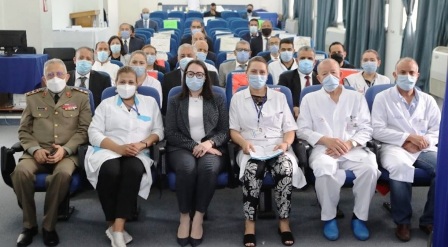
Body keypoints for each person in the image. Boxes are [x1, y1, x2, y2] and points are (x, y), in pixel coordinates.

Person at [296, 58, 380, 241]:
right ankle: (329, 217)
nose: (330, 77)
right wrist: (326, 140)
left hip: (353, 148)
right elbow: (301, 130)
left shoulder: (356, 97)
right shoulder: (310, 98)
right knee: (325, 170)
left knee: (370, 169)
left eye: (333, 72)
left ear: (341, 74)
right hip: (323, 149)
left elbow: (366, 128)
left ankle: (359, 217)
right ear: (318, 78)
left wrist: (349, 144)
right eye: (325, 74)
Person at [11, 58, 92, 247]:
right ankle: (29, 225)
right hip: (36, 151)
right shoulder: (33, 98)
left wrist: (66, 149)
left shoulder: (80, 97)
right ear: (44, 79)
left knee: (62, 175)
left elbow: (84, 130)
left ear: (67, 76)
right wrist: (34, 149)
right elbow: (24, 130)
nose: (55, 78)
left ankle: (49, 226)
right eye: (50, 75)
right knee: (20, 172)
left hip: (67, 152)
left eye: (59, 74)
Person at [229, 56, 306, 247]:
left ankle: (284, 222)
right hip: (250, 146)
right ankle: (250, 224)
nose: (258, 75)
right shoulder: (237, 98)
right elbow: (233, 131)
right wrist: (243, 144)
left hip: (276, 146)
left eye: (262, 72)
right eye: (253, 72)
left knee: (285, 169)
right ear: (246, 75)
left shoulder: (279, 97)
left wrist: (286, 144)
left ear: (268, 75)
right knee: (253, 171)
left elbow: (290, 128)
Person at [85, 66, 164, 247]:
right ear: (115, 84)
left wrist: (143, 144)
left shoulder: (149, 102)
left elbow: (158, 131)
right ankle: (111, 224)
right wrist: (118, 148)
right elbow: (94, 132)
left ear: (138, 84)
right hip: (108, 150)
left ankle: (118, 229)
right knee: (110, 171)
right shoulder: (107, 104)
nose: (126, 85)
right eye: (122, 82)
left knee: (132, 170)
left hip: (137, 151)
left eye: (131, 82)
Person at [371, 57, 440, 242]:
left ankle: (429, 220)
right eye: (402, 72)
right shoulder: (382, 98)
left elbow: (438, 130)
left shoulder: (428, 100)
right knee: (400, 169)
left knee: (443, 169)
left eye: (411, 72)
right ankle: (403, 221)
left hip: (423, 147)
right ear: (394, 75)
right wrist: (406, 138)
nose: (407, 76)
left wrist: (422, 140)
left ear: (418, 75)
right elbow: (377, 129)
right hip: (394, 147)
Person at [165, 60, 229, 247]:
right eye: (191, 74)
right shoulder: (175, 100)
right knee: (187, 168)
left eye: (199, 74)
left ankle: (199, 217)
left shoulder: (217, 99)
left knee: (208, 169)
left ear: (205, 78)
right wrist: (195, 145)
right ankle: (185, 216)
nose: (195, 78)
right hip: (181, 148)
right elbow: (170, 132)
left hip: (212, 148)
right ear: (185, 77)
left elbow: (224, 130)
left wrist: (209, 143)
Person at [162, 44, 219, 115]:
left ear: (196, 58)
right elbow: (166, 108)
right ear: (178, 58)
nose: (186, 58)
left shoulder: (212, 76)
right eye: (182, 56)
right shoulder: (168, 78)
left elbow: (216, 105)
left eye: (189, 56)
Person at [278, 46, 319, 119]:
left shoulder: (320, 78)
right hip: (293, 117)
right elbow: (280, 99)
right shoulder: (285, 77)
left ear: (315, 62)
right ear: (297, 61)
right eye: (302, 58)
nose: (306, 61)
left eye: (310, 58)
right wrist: (292, 107)